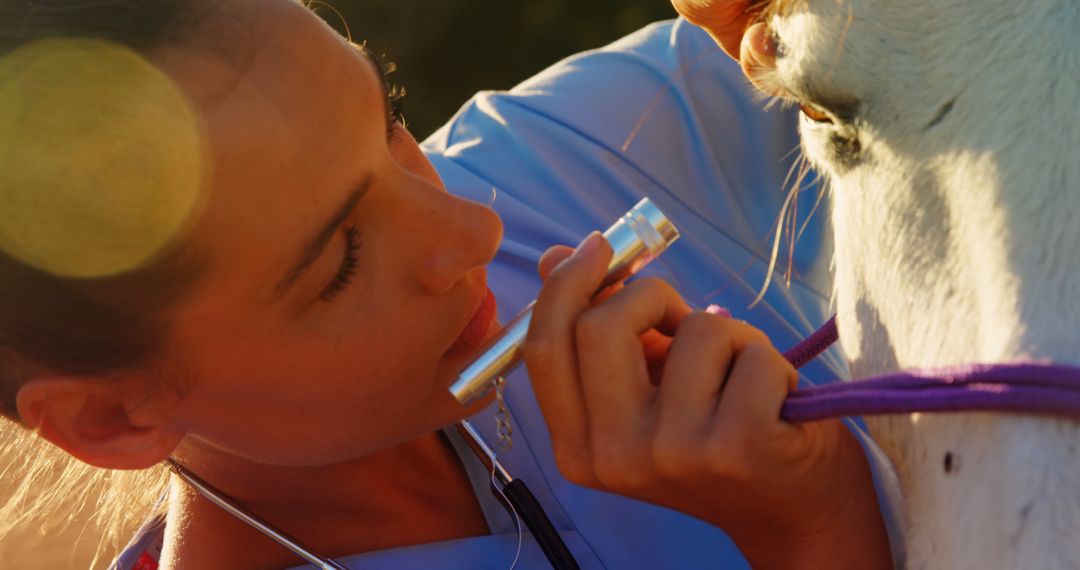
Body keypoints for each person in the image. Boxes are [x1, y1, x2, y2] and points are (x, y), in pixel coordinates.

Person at [0, 0, 893, 568]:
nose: (474, 226)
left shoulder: (563, 154)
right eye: (341, 262)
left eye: (388, 121)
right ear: (109, 419)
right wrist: (816, 532)